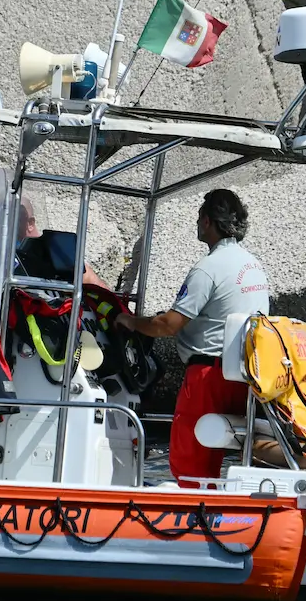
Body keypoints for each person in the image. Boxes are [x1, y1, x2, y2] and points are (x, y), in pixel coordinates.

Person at [115, 188, 270, 487]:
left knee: (191, 462)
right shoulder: (253, 265)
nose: (198, 224)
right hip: (245, 376)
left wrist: (131, 322)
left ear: (209, 221)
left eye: (200, 218)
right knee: (216, 452)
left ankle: (191, 517)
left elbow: (168, 325)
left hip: (208, 376)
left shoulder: (207, 268)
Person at [13, 196, 106, 288]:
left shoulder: (55, 251)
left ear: (30, 224)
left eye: (13, 220)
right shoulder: (10, 255)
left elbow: (102, 292)